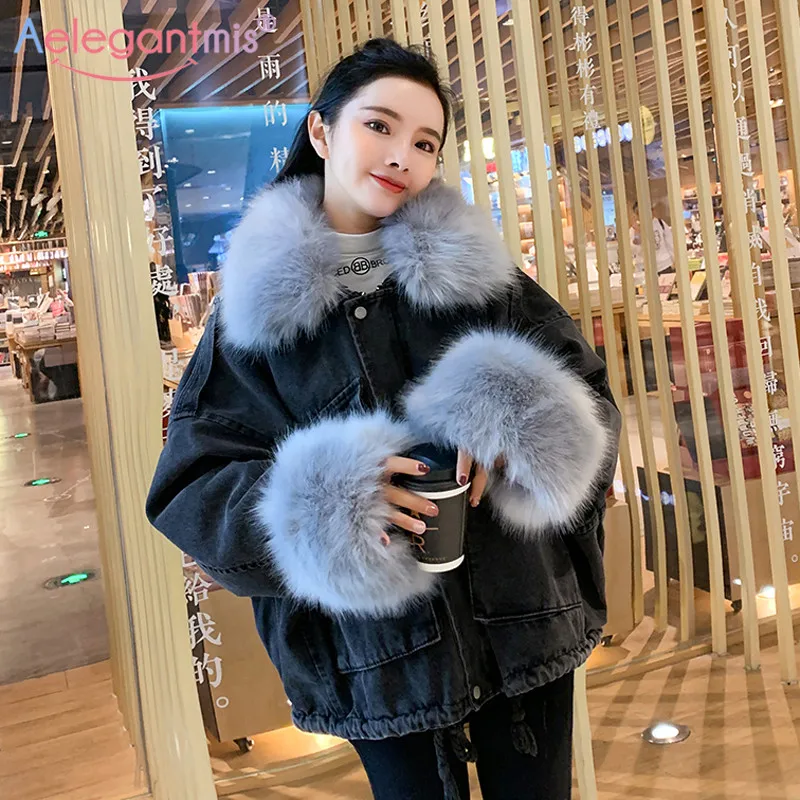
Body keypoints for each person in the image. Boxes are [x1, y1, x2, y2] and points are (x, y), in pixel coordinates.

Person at [146, 38, 621, 800]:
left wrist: (519, 429)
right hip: (378, 664)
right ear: (322, 130)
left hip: (524, 621)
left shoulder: (482, 279)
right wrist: (332, 503)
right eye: (379, 125)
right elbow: (192, 486)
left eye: (425, 142)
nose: (403, 155)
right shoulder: (257, 320)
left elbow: (591, 400)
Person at [630, 200, 675, 273]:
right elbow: (634, 250)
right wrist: (638, 232)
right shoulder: (633, 229)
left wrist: (674, 261)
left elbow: (670, 243)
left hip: (665, 265)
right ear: (637, 215)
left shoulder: (660, 223)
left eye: (649, 210)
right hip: (644, 268)